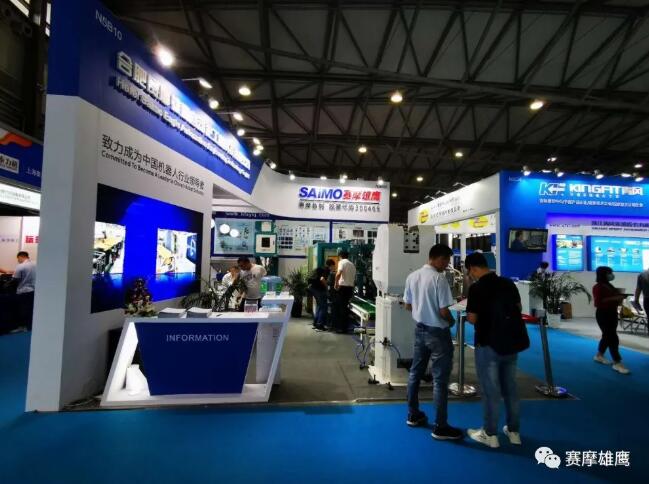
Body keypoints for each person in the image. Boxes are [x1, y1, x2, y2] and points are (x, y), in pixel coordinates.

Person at [464, 252, 530, 449]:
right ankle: (514, 431)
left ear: (473, 269)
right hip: (510, 342)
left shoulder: (476, 288)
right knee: (510, 388)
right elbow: (518, 307)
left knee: (490, 390)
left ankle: (490, 433)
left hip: (488, 344)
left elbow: (472, 319)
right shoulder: (508, 283)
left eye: (469, 272)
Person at [403, 244, 463, 441]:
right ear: (438, 258)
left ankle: (413, 414)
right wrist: (451, 322)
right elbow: (444, 311)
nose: (447, 265)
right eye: (446, 260)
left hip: (419, 330)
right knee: (440, 380)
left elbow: (407, 305)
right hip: (438, 334)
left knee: (415, 373)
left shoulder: (412, 276)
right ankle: (441, 426)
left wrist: (422, 310)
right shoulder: (439, 279)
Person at [593, 266, 630, 374]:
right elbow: (598, 303)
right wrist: (615, 298)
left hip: (612, 313)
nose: (611, 275)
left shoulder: (609, 285)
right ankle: (617, 362)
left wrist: (619, 297)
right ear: (603, 274)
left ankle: (599, 355)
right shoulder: (598, 287)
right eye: (609, 273)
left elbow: (611, 299)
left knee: (607, 336)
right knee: (612, 337)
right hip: (603, 314)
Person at [0, 252, 36, 330]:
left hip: (23, 291)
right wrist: (7, 271)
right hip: (33, 291)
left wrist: (6, 284)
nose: (18, 261)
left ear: (20, 257)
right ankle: (30, 326)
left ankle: (22, 326)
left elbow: (15, 280)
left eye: (18, 259)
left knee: (22, 310)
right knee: (31, 309)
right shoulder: (35, 264)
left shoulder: (21, 266)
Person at [309, 259, 335, 330]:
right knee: (324, 307)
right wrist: (327, 288)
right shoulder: (327, 270)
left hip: (313, 288)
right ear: (331, 265)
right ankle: (320, 324)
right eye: (333, 266)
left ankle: (316, 322)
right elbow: (322, 279)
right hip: (319, 290)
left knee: (320, 306)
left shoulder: (322, 268)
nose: (334, 268)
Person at [333, 250, 356, 333]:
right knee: (345, 308)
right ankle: (345, 327)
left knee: (341, 308)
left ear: (340, 256)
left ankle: (341, 328)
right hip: (350, 289)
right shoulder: (352, 264)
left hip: (342, 288)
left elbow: (339, 273)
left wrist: (336, 283)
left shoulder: (342, 262)